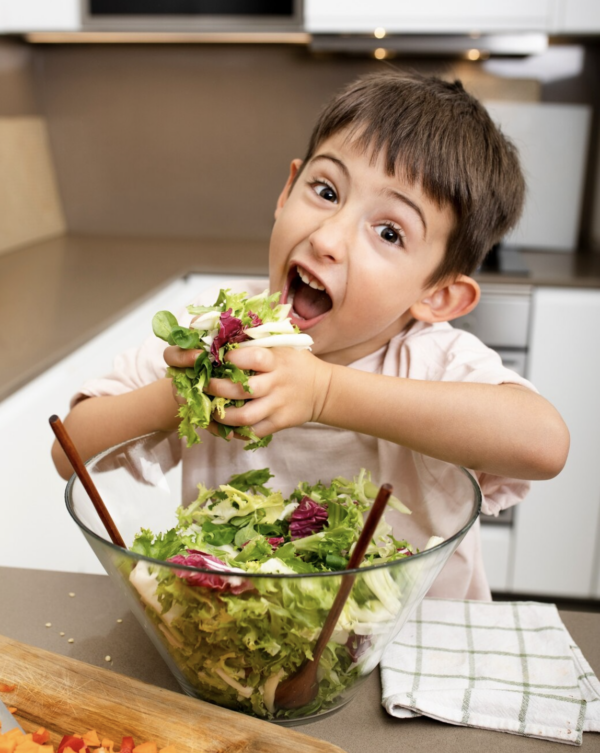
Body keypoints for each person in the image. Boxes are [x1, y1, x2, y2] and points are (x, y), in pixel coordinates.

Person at [52, 71, 569, 600]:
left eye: (389, 232)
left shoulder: (433, 358)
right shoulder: (214, 330)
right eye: (326, 191)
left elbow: (544, 443)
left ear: (437, 296)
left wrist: (325, 392)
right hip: (240, 644)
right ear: (287, 189)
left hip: (418, 656)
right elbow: (70, 450)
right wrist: (187, 391)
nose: (327, 238)